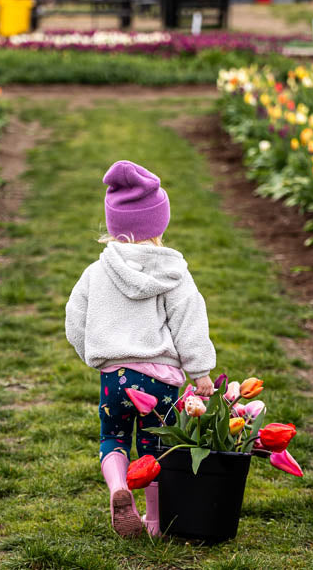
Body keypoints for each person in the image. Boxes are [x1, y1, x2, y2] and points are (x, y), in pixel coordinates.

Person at [65, 160, 217, 538]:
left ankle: (118, 488)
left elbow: (74, 318)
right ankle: (154, 521)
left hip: (113, 379)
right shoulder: (172, 273)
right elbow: (189, 322)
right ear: (159, 223)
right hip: (158, 382)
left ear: (113, 223)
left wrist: (95, 352)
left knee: (112, 437)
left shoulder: (96, 272)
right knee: (156, 449)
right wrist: (200, 372)